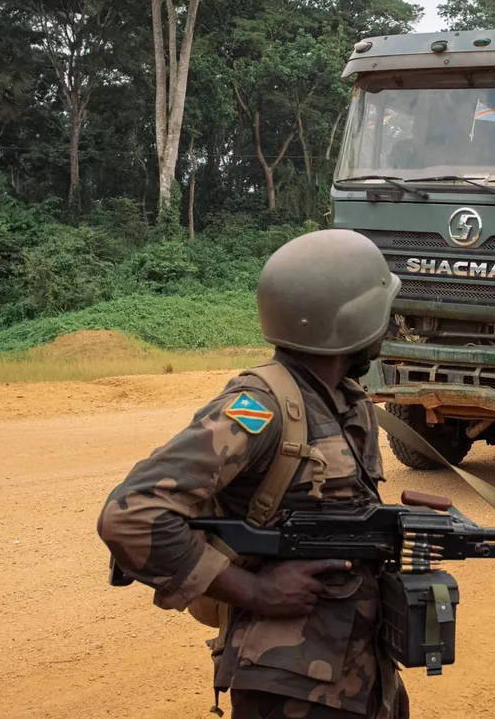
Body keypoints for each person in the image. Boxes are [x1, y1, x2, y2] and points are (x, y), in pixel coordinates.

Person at [97, 229, 408, 719]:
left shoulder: (349, 405)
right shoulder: (261, 408)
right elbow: (132, 513)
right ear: (353, 322)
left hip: (358, 675)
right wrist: (254, 591)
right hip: (289, 689)